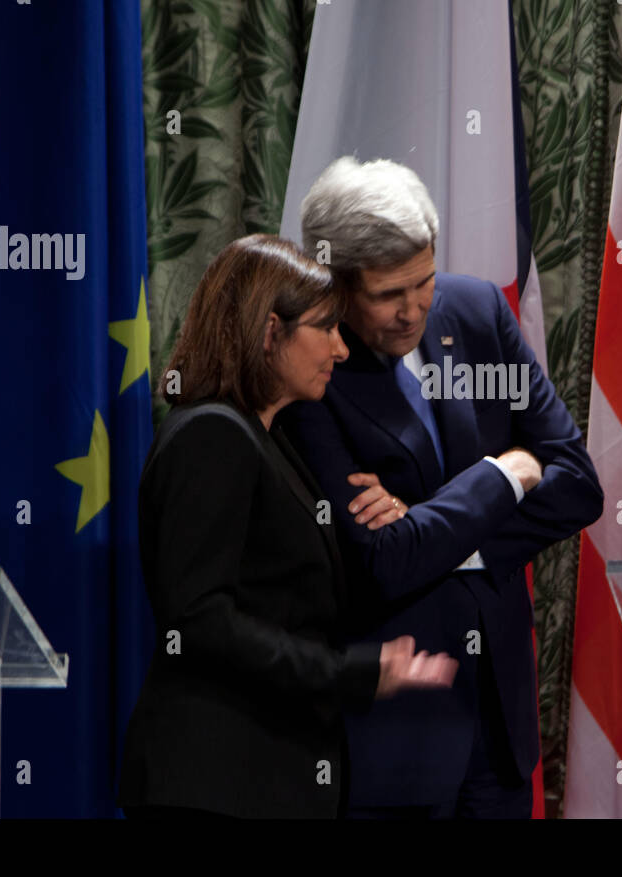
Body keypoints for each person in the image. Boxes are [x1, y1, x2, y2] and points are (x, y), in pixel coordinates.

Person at [281, 158, 604, 818]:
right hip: (392, 735)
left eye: (423, 281)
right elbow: (380, 562)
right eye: (386, 294)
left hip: (498, 716)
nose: (413, 311)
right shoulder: (313, 366)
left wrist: (430, 530)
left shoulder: (476, 309)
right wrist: (500, 477)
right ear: (338, 286)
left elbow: (578, 483)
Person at [118, 234, 456, 819]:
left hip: (265, 779)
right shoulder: (212, 436)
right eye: (326, 328)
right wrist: (350, 672)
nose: (342, 350)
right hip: (219, 785)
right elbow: (200, 620)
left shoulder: (267, 434)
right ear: (271, 331)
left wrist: (400, 512)